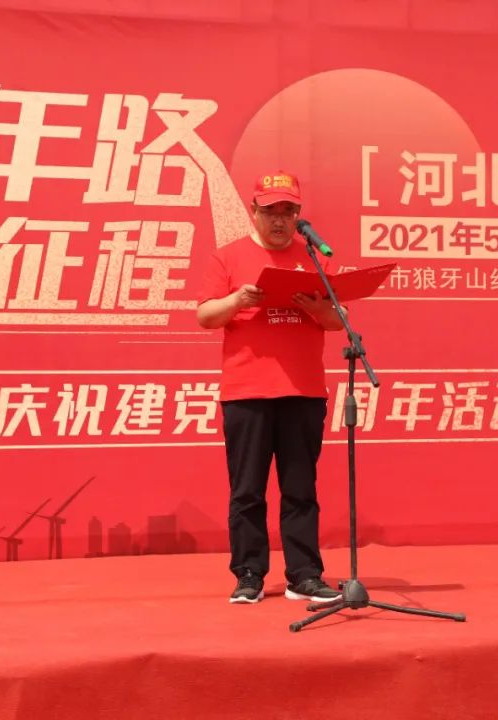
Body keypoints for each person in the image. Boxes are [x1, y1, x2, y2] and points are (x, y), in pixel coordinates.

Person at [197, 171, 344, 605]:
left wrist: (317, 309)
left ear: (298, 215)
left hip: (303, 390)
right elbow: (206, 316)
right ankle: (249, 575)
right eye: (270, 211)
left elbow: (338, 321)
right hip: (247, 392)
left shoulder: (314, 258)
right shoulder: (228, 257)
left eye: (288, 211)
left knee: (301, 488)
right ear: (253, 211)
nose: (279, 220)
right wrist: (237, 301)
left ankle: (304, 575)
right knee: (247, 490)